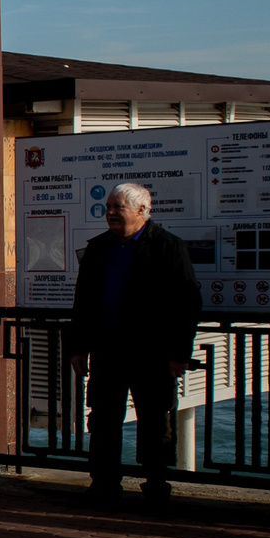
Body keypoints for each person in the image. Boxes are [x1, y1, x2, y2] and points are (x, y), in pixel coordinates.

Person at [66, 182, 201, 508]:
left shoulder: (168, 246)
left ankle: (156, 487)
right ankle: (104, 485)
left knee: (155, 423)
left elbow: (186, 303)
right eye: (109, 207)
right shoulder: (98, 248)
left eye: (118, 208)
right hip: (106, 352)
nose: (110, 213)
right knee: (102, 421)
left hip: (151, 354)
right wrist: (77, 347)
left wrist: (180, 353)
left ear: (142, 211)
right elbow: (82, 301)